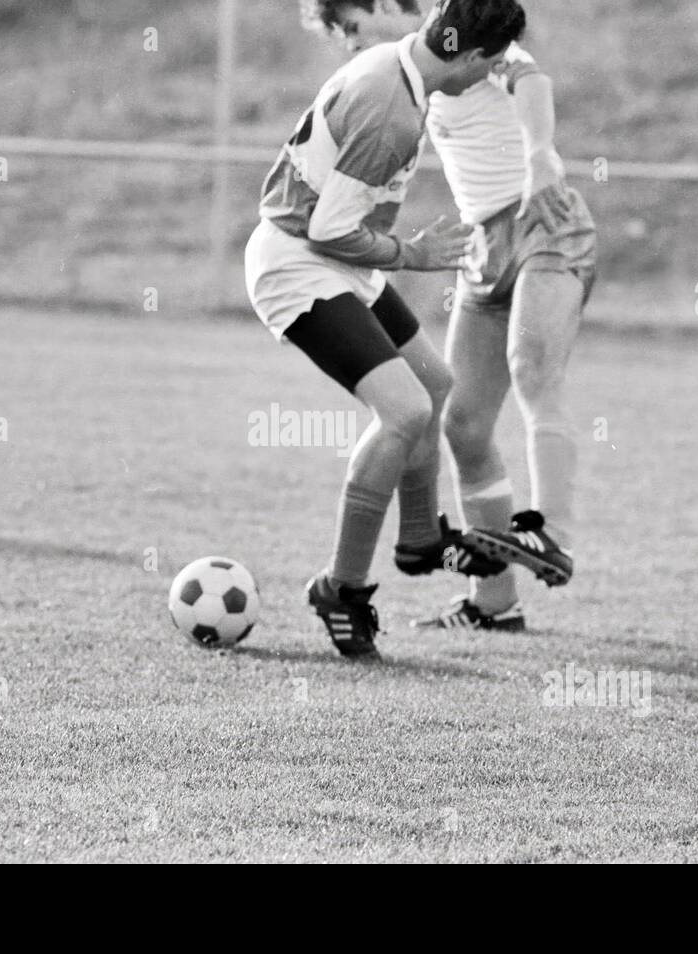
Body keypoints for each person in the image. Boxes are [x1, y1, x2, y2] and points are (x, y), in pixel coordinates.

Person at [301, 0, 598, 631]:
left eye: (353, 26)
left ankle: (551, 533)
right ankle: (495, 605)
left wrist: (541, 154)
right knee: (462, 423)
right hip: (482, 245)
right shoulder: (401, 75)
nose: (350, 43)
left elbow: (529, 78)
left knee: (532, 368)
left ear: (386, 7)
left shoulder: (461, 34)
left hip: (544, 223)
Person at [245, 0, 528, 657]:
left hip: (332, 263)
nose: (486, 78)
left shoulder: (399, 74)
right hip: (296, 264)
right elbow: (329, 229)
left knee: (435, 382)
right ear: (472, 56)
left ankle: (421, 537)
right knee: (402, 411)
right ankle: (340, 588)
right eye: (490, 66)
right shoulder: (391, 106)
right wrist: (413, 255)